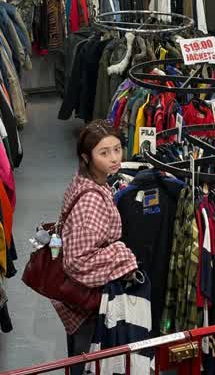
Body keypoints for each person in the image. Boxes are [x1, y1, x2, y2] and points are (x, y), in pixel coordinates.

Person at [51, 120, 137, 374]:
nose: (114, 158)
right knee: (87, 361)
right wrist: (121, 255)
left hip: (79, 303)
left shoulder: (90, 182)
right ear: (86, 157)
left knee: (81, 358)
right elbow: (77, 261)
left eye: (117, 149)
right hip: (87, 305)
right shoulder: (91, 200)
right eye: (104, 153)